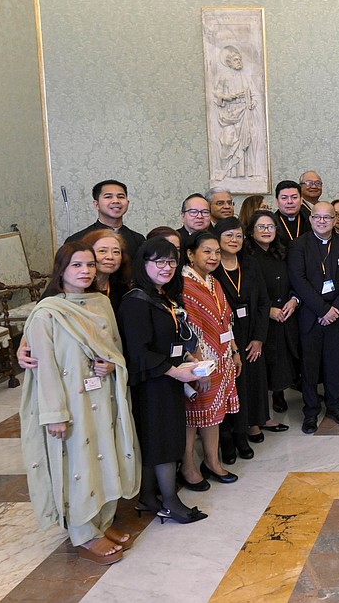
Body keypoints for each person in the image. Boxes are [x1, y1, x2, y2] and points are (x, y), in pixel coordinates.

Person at [20, 243, 139, 564]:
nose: (85, 271)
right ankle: (83, 533)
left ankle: (100, 524)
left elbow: (116, 349)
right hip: (71, 404)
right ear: (61, 270)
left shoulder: (101, 303)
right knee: (78, 467)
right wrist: (55, 414)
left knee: (104, 459)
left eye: (90, 265)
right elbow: (44, 370)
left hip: (103, 396)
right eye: (76, 266)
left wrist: (113, 366)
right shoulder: (46, 314)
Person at [118, 237, 208, 525]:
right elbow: (139, 351)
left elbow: (170, 341)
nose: (166, 267)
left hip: (166, 377)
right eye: (159, 261)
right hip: (151, 382)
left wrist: (188, 362)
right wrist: (175, 371)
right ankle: (169, 501)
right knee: (162, 439)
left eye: (171, 261)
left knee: (159, 437)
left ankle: (148, 496)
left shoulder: (162, 296)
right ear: (144, 264)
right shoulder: (135, 301)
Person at [180, 231, 240, 488]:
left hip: (223, 357)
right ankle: (189, 467)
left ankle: (212, 461)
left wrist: (235, 350)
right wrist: (199, 369)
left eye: (217, 251)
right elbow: (188, 330)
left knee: (214, 414)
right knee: (193, 417)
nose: (213, 256)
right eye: (207, 251)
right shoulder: (184, 284)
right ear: (191, 254)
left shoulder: (213, 282)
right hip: (200, 363)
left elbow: (226, 319)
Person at [288, 202, 339, 434]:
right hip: (311, 316)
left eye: (328, 217)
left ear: (335, 220)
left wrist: (334, 308)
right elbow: (298, 281)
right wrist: (322, 309)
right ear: (311, 219)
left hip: (337, 316)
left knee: (335, 364)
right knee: (310, 367)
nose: (323, 221)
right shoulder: (299, 245)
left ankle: (335, 406)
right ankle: (311, 412)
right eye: (318, 217)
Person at [212, 217, 272, 461]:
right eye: (228, 236)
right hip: (223, 335)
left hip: (250, 332)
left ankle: (247, 428)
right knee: (229, 385)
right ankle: (229, 437)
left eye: (238, 235)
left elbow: (263, 302)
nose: (234, 240)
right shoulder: (212, 268)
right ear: (217, 239)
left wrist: (258, 338)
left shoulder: (250, 263)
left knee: (251, 382)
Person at [245, 210, 299, 417]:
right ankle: (261, 411)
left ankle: (279, 394)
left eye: (270, 227)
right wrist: (268, 311)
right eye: (261, 227)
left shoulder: (282, 252)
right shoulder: (247, 257)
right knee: (265, 363)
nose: (266, 231)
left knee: (283, 360)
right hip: (261, 319)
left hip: (286, 314)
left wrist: (294, 300)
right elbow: (246, 293)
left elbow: (296, 280)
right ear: (251, 231)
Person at [65, 179, 145, 257]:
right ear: (96, 204)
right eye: (108, 197)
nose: (116, 201)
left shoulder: (138, 240)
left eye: (120, 197)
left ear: (127, 203)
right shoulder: (77, 240)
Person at [213, 46, 257, 178]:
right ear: (229, 62)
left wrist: (252, 102)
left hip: (244, 112)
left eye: (240, 60)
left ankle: (242, 173)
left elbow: (252, 93)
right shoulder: (224, 76)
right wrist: (227, 97)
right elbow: (216, 92)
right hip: (230, 113)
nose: (239, 62)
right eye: (236, 60)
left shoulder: (245, 77)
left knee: (245, 143)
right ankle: (222, 170)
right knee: (228, 141)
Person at [80, 230, 130, 315]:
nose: (110, 257)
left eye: (116, 252)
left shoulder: (123, 290)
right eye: (102, 251)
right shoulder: (77, 288)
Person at [274, 180, 308, 246]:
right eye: (284, 198)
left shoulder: (310, 220)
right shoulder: (271, 223)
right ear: (277, 202)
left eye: (294, 197)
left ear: (301, 200)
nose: (290, 201)